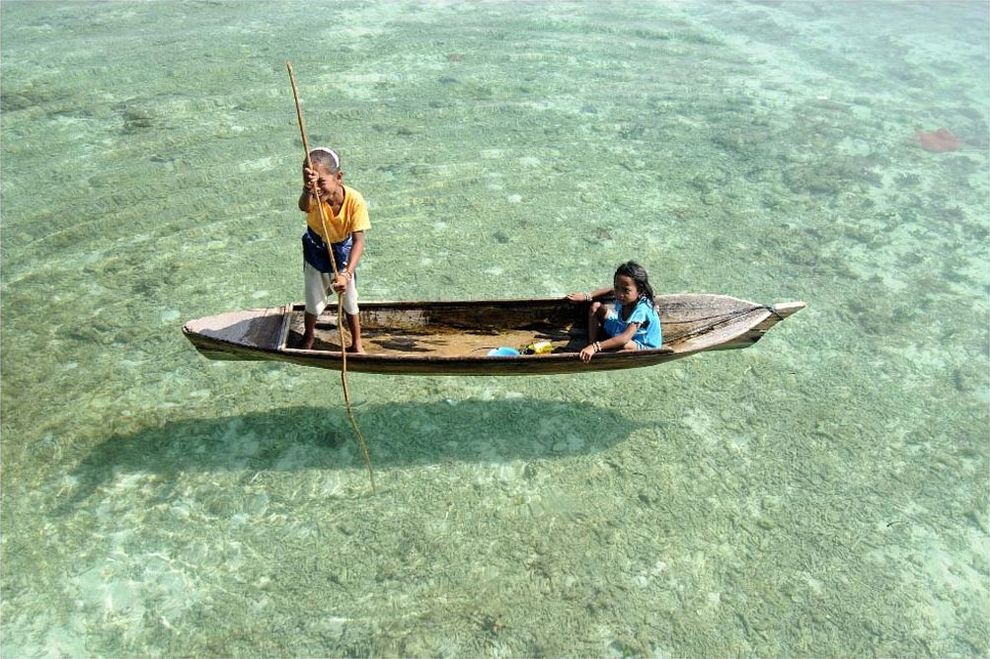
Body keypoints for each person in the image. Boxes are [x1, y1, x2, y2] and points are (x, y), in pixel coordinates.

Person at [298, 147, 370, 351]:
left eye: (321, 182)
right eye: (311, 183)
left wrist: (346, 274)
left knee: (349, 299)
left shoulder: (354, 200)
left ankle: (357, 343)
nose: (317, 188)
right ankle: (309, 335)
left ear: (338, 177)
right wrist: (308, 189)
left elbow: (358, 241)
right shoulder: (313, 196)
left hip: (342, 254)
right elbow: (304, 206)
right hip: (316, 250)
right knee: (313, 301)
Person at [567, 261, 662, 362]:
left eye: (626, 290)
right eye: (617, 288)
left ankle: (594, 348)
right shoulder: (623, 294)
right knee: (596, 307)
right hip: (620, 327)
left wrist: (596, 347)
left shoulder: (642, 309)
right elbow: (610, 290)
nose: (619, 294)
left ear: (640, 291)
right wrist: (586, 296)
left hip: (642, 344)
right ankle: (590, 345)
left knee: (624, 345)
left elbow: (624, 338)